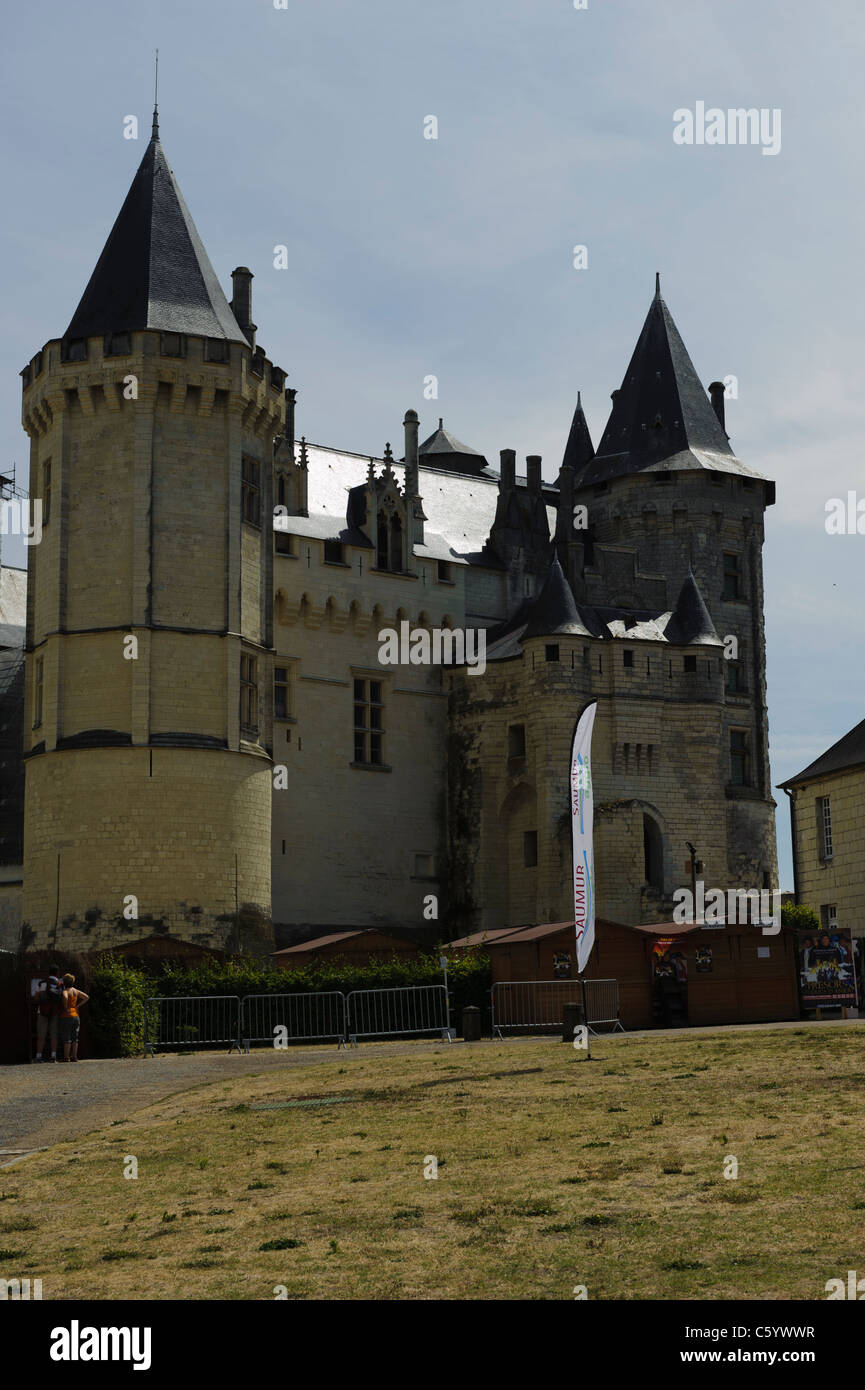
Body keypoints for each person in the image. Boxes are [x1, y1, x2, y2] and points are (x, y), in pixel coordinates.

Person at [34, 964, 63, 1062]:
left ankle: (38, 1057)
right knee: (54, 1035)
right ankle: (53, 1056)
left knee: (41, 1036)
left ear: (48, 972)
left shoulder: (42, 983)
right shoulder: (59, 983)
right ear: (57, 973)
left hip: (42, 1011)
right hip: (54, 1012)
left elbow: (36, 996)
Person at [59, 974, 89, 1062]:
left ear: (64, 982)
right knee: (75, 1037)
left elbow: (65, 997)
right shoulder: (75, 991)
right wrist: (78, 1006)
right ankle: (74, 1056)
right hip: (75, 1015)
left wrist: (65, 1007)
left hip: (66, 1015)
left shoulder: (65, 991)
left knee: (67, 1037)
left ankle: (66, 1057)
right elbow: (86, 997)